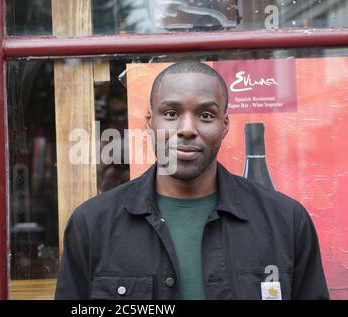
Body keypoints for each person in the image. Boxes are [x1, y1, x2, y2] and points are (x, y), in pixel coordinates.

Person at [55, 61, 329, 300]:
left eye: (206, 115)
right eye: (171, 114)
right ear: (150, 122)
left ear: (225, 125)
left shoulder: (287, 221)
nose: (187, 129)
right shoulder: (92, 225)